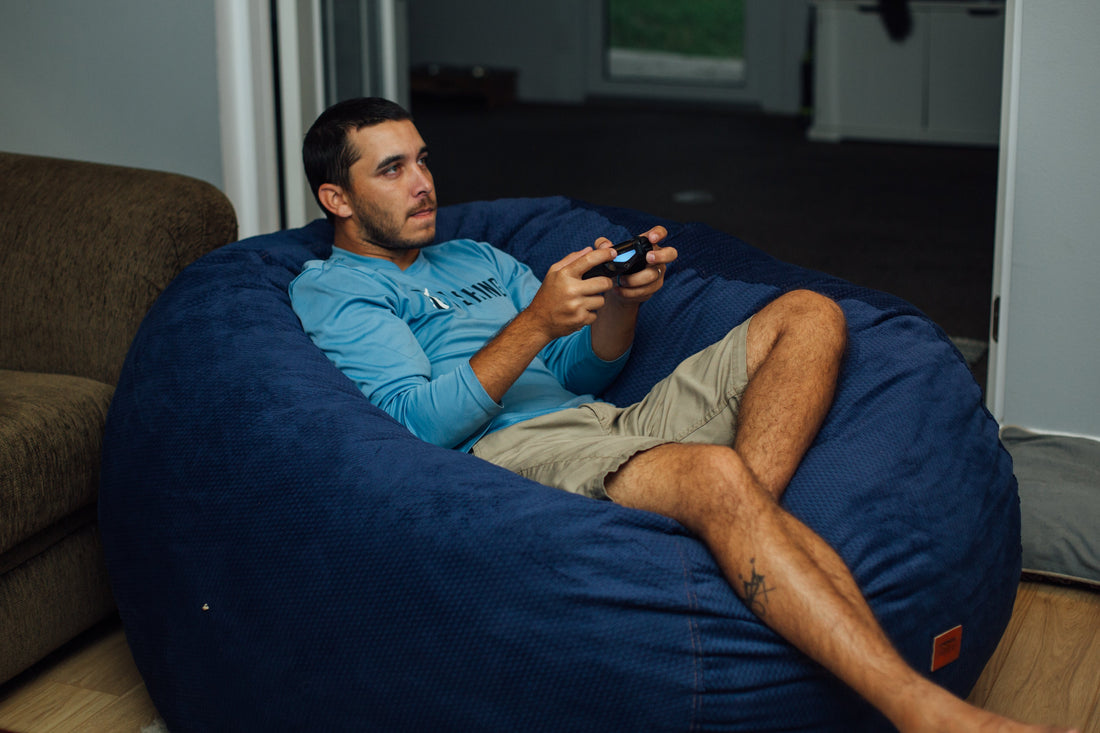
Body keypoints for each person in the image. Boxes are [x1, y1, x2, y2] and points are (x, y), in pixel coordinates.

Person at [289, 97, 1074, 733]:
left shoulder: (477, 256)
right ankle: (928, 713)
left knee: (809, 314)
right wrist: (532, 321)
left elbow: (582, 368)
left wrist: (619, 309)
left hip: (601, 418)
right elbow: (419, 425)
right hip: (509, 453)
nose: (422, 182)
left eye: (423, 159)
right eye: (392, 169)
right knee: (713, 473)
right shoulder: (337, 290)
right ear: (338, 197)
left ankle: (738, 520)